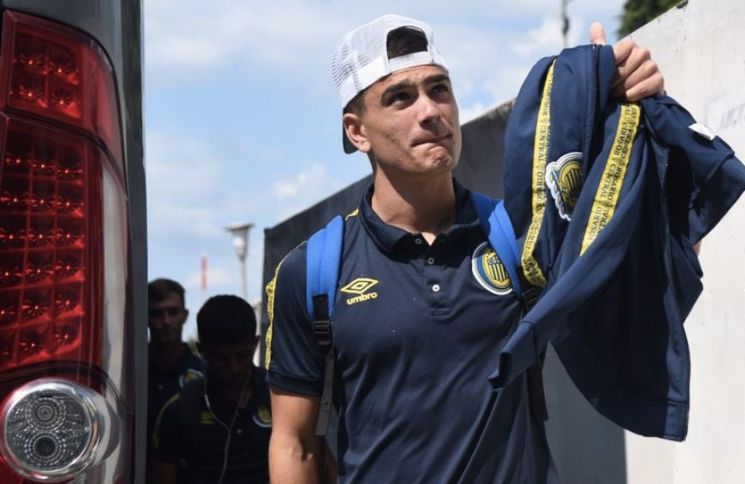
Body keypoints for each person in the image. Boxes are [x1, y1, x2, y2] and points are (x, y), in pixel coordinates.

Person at [265, 14, 665, 483]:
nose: (430, 110)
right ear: (357, 132)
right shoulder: (313, 272)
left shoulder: (520, 233)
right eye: (400, 97)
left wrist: (638, 118)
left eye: (439, 89)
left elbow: (654, 278)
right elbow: (295, 444)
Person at [149, 295, 272, 484]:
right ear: (201, 350)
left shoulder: (280, 397)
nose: (234, 368)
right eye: (221, 358)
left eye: (242, 355)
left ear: (255, 344)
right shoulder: (180, 409)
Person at [147, 278, 205, 457]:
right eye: (157, 313)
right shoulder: (130, 374)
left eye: (173, 312)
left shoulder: (203, 373)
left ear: (185, 315)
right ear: (145, 317)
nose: (166, 321)